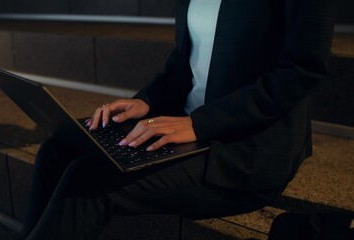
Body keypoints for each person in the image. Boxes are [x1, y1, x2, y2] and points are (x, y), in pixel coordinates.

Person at [21, 0, 336, 239]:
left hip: (242, 149)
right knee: (56, 149)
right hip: (185, 125)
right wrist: (145, 101)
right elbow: (184, 58)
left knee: (88, 179)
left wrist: (199, 124)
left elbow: (301, 69)